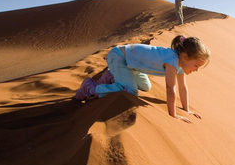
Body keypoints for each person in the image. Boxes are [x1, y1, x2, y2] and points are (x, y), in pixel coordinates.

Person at [75, 35, 210, 123]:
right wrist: (173, 115)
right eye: (196, 65)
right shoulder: (172, 60)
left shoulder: (180, 64)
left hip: (132, 66)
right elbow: (170, 89)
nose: (196, 70)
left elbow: (183, 88)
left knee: (146, 87)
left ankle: (114, 77)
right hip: (118, 58)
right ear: (185, 57)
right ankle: (91, 88)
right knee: (131, 91)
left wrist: (187, 110)